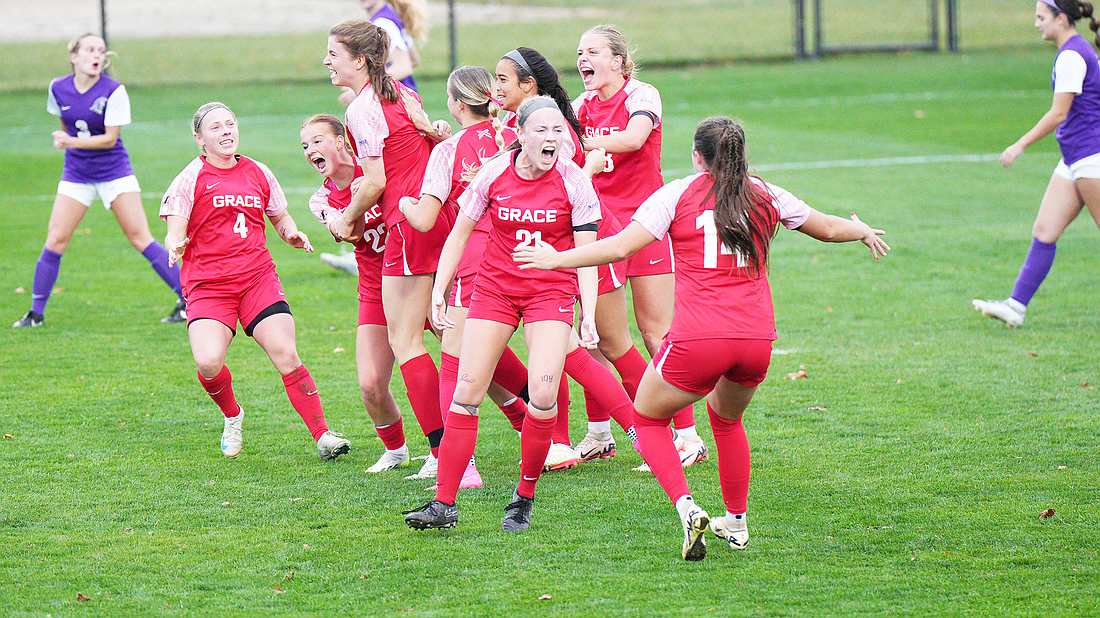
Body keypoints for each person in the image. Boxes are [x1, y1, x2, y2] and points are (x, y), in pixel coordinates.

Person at [515, 116, 890, 560]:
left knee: (649, 419)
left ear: (698, 157)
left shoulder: (678, 193)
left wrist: (556, 258)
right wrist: (862, 230)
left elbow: (618, 248)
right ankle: (737, 520)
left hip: (699, 339)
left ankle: (686, 506)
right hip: (756, 340)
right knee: (727, 421)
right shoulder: (767, 193)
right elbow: (826, 227)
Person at [403, 97, 601, 532]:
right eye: (542, 131)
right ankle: (443, 504)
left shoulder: (575, 182)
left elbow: (586, 254)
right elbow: (459, 234)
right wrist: (439, 290)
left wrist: (588, 310)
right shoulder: (494, 172)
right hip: (495, 291)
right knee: (467, 392)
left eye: (558, 131)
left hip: (549, 293)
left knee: (544, 398)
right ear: (522, 135)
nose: (552, 139)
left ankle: (524, 496)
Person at [161, 102, 351, 461]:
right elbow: (174, 232)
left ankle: (322, 434)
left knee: (287, 354)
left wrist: (292, 234)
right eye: (215, 127)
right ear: (199, 138)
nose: (226, 131)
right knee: (208, 362)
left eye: (230, 124)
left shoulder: (258, 171)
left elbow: (280, 218)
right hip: (208, 285)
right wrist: (176, 245)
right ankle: (233, 415)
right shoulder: (189, 178)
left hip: (256, 278)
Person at [495, 47, 641, 471]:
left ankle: (675, 435)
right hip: (549, 255)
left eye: (504, 79)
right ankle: (562, 441)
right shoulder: (514, 129)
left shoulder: (554, 134)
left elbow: (572, 200)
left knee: (612, 342)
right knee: (553, 343)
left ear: (529, 86)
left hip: (590, 245)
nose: (495, 86)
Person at [572, 26, 709, 466]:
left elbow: (632, 139)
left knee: (656, 333)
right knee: (592, 335)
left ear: (617, 60)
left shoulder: (642, 94)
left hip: (646, 224)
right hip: (597, 229)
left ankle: (687, 437)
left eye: (592, 51)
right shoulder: (579, 105)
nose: (582, 59)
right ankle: (599, 434)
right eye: (579, 52)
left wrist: (582, 141)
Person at [400, 66, 534, 488]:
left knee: (455, 362)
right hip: (527, 256)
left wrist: (401, 201)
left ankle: (463, 465)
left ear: (457, 104)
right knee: (562, 354)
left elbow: (424, 219)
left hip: (477, 262)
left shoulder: (449, 151)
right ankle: (559, 437)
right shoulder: (514, 136)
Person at [325, 19, 449, 479]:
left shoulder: (362, 108)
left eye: (333, 54)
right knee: (452, 332)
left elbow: (376, 181)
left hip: (407, 226)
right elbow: (427, 147)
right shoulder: (401, 92)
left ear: (359, 60)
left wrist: (345, 217)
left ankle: (444, 450)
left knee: (406, 341)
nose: (326, 61)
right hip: (437, 216)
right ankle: (531, 423)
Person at [13, 33, 185, 329]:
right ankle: (35, 314)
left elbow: (109, 139)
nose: (97, 56)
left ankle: (189, 301)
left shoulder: (113, 90)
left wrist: (70, 142)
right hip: (77, 175)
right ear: (74, 56)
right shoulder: (57, 88)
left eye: (101, 51)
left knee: (140, 238)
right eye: (90, 50)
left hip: (115, 172)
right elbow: (66, 127)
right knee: (56, 239)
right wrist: (70, 142)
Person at [301, 113, 422, 474]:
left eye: (317, 140)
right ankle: (396, 449)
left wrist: (368, 189)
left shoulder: (376, 172)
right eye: (305, 145)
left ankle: (524, 416)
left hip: (417, 274)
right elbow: (349, 234)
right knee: (370, 384)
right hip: (374, 287)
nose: (310, 150)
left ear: (341, 141)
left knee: (472, 362)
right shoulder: (319, 199)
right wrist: (356, 204)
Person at [973, 0, 1100, 327]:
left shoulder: (1073, 55)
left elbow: (1058, 113)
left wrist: (1019, 145)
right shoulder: (1072, 51)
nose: (1036, 24)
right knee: (1044, 230)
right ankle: (1015, 307)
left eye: (1041, 17)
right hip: (1074, 157)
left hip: (1091, 157)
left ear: (1061, 19)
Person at [336, 0, 428, 106]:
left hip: (397, 101)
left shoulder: (383, 23)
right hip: (404, 99)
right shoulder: (390, 15)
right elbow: (414, 59)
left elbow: (404, 67)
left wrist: (365, 87)